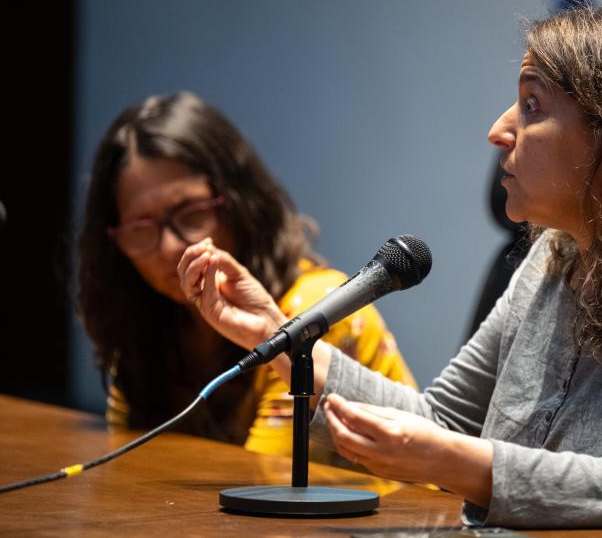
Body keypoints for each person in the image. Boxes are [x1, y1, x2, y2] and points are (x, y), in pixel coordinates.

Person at [177, 6, 602, 536]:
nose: (498, 131)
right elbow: (444, 424)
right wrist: (280, 338)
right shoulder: (554, 256)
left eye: (532, 105)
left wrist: (463, 463)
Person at [76, 91, 417, 459]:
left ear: (238, 203)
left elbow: (260, 483)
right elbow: (125, 464)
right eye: (141, 228)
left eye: (190, 213)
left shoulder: (316, 310)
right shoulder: (146, 318)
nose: (169, 248)